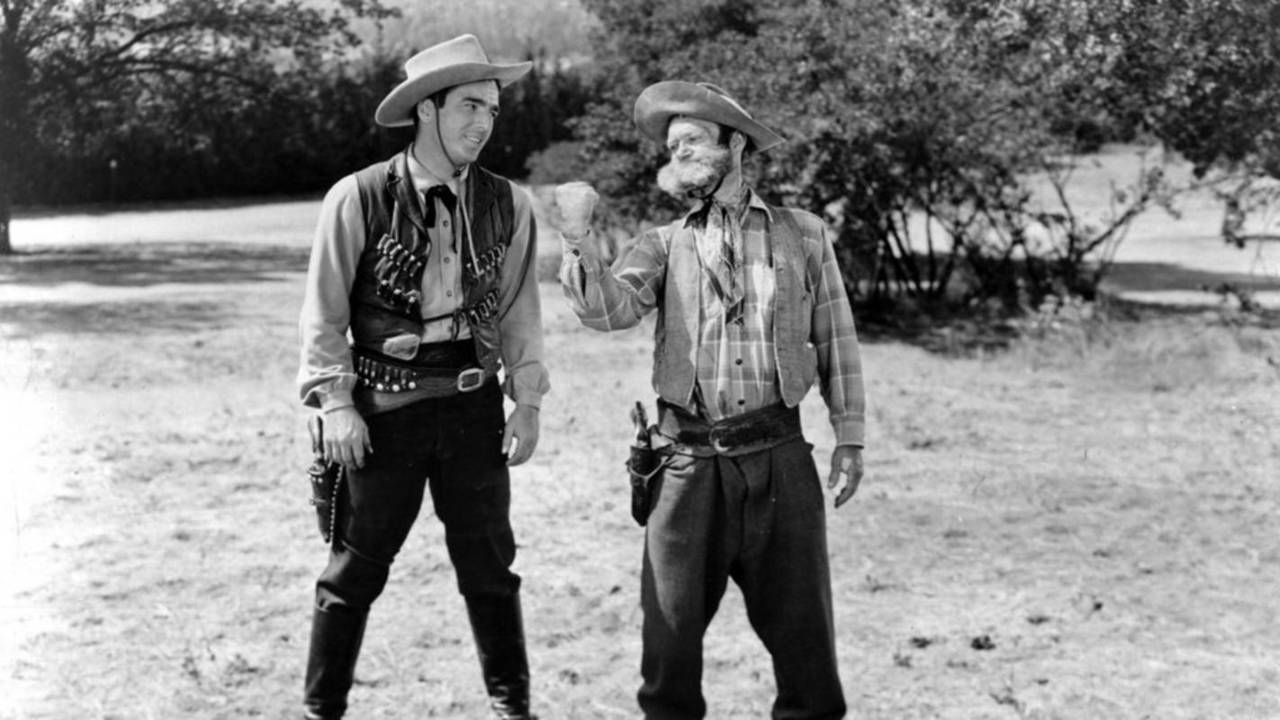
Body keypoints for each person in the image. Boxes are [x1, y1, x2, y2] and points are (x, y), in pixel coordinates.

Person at [555, 81, 867, 719]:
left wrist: (850, 436)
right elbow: (608, 312)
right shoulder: (661, 243)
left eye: (692, 139)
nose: (677, 152)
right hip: (685, 466)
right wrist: (579, 238)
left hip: (781, 459)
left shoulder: (804, 235)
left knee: (807, 654)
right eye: (671, 145)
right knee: (668, 654)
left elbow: (836, 336)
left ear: (737, 145)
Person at [296, 34, 549, 720]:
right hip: (384, 411)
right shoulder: (357, 198)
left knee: (490, 569)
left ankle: (512, 708)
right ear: (426, 110)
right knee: (353, 571)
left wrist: (527, 401)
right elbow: (323, 315)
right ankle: (322, 710)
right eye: (469, 106)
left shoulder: (510, 204)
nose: (483, 123)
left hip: (473, 411)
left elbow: (521, 311)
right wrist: (336, 404)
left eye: (492, 109)